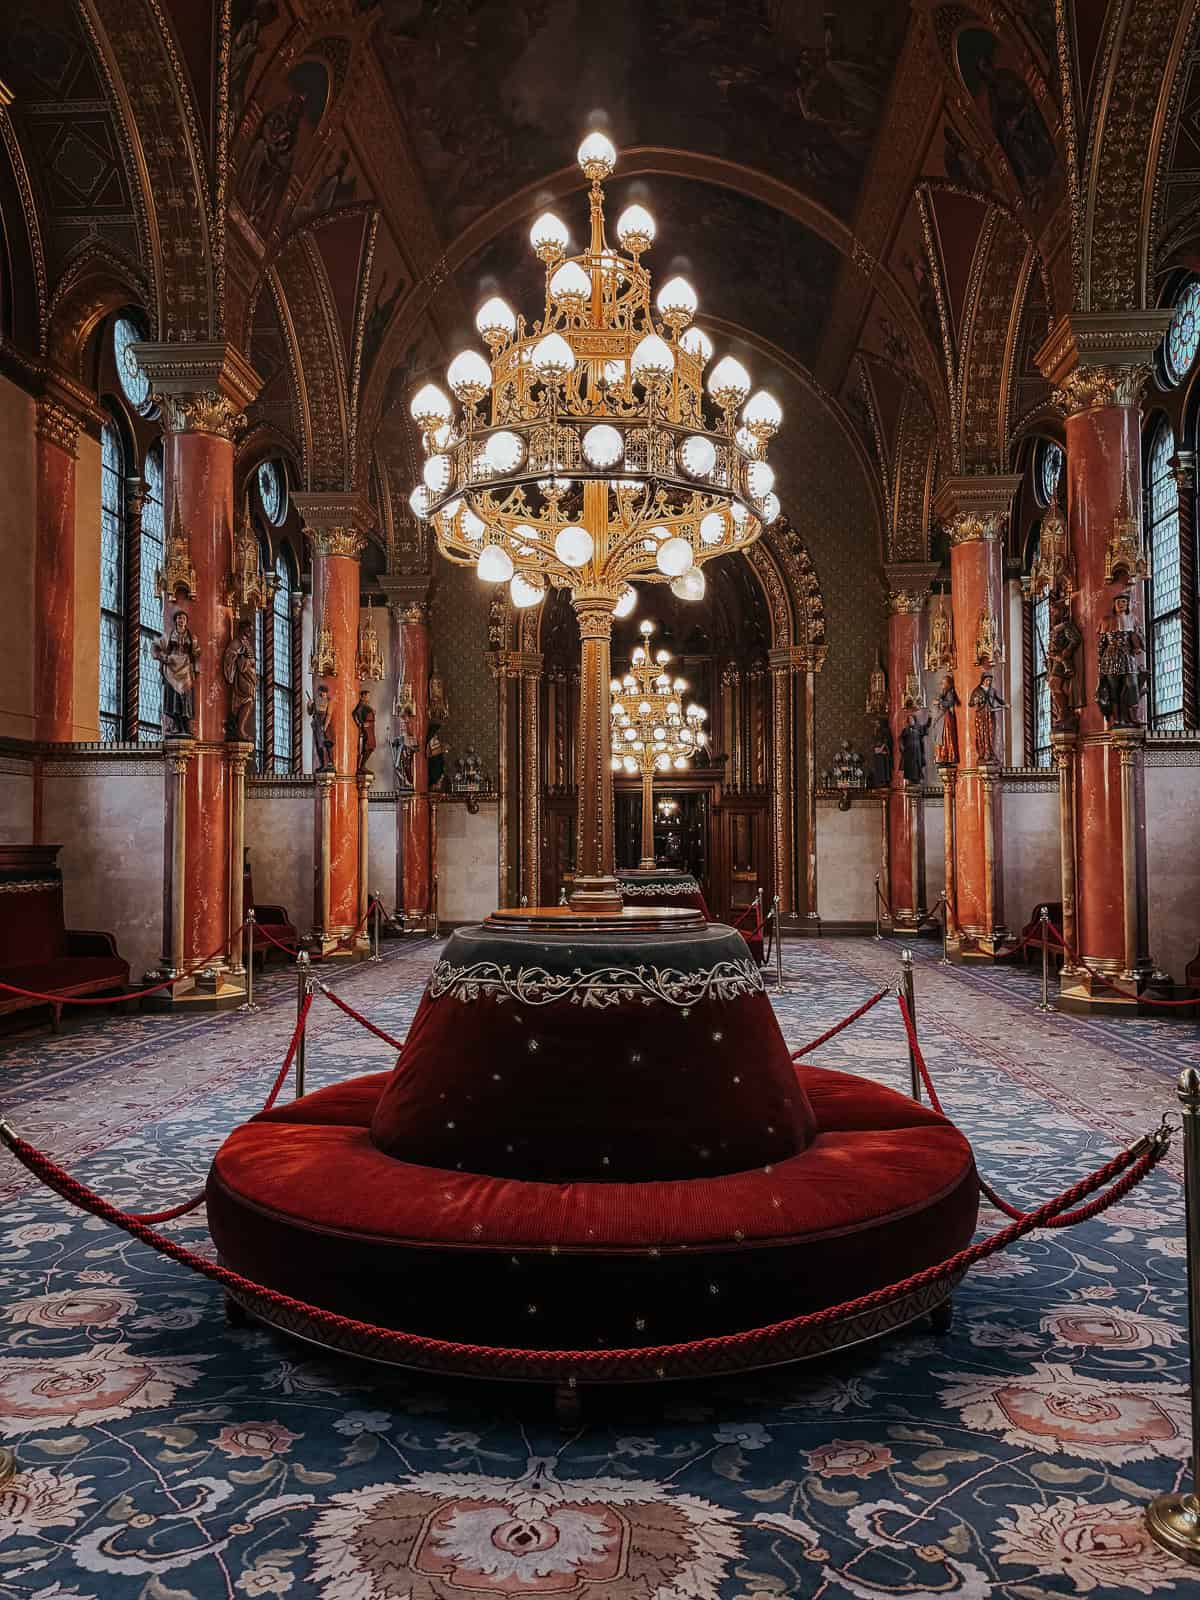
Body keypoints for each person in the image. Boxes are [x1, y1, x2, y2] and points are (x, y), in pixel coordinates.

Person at [1097, 592, 1147, 727]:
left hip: (1127, 655)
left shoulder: (1133, 619)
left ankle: (1133, 716)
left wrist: (1137, 640)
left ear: (1128, 604)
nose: (1121, 604)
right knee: (1114, 689)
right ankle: (1118, 719)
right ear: (1114, 604)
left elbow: (1140, 639)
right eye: (1118, 601)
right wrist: (1099, 663)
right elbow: (1102, 644)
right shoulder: (1105, 620)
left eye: (1124, 601)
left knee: (1132, 684)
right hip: (1110, 656)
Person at [153, 610, 201, 736]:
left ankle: (185, 725)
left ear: (186, 621)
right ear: (175, 620)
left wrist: (196, 667)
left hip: (185, 668)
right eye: (179, 618)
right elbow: (155, 647)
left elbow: (196, 653)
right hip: (172, 668)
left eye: (183, 619)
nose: (181, 621)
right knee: (174, 696)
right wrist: (164, 658)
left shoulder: (191, 637)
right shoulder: (169, 635)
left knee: (185, 695)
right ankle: (176, 724)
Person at [222, 623, 257, 744]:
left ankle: (240, 728)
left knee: (250, 700)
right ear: (242, 629)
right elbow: (231, 656)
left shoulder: (245, 642)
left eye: (250, 630)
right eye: (248, 629)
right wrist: (246, 661)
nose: (249, 632)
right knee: (247, 699)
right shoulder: (237, 642)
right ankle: (240, 730)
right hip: (242, 676)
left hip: (249, 675)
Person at [969, 671, 1007, 763]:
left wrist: (1005, 704)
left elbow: (998, 699)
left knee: (991, 733)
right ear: (983, 680)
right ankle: (982, 753)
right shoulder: (977, 690)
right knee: (982, 734)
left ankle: (991, 753)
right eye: (987, 680)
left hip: (990, 713)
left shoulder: (992, 690)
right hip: (981, 714)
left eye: (990, 680)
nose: (988, 682)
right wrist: (975, 701)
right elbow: (970, 703)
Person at [933, 673, 961, 764]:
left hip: (946, 717)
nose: (942, 685)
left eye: (944, 683)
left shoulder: (949, 692)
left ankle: (947, 755)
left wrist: (939, 702)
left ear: (948, 684)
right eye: (941, 683)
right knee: (940, 737)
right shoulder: (944, 692)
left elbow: (950, 703)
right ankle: (941, 756)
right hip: (941, 717)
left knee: (946, 736)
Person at [308, 683, 335, 772]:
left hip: (324, 724)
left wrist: (325, 726)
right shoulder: (316, 700)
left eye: (324, 693)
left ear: (326, 693)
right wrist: (309, 704)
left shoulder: (329, 700)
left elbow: (329, 714)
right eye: (321, 692)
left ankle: (330, 763)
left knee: (327, 744)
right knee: (318, 745)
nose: (322, 694)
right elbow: (310, 712)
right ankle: (322, 764)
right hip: (316, 724)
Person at [899, 710, 930, 785]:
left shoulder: (918, 728)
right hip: (908, 752)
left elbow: (926, 726)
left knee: (917, 765)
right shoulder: (905, 730)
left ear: (914, 720)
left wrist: (929, 718)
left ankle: (917, 781)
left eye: (912, 719)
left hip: (917, 750)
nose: (910, 721)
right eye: (909, 720)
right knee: (909, 767)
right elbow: (900, 740)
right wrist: (902, 747)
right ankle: (910, 781)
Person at [352, 690, 376, 773]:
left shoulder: (366, 706)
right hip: (366, 730)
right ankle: (361, 766)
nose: (369, 698)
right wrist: (361, 725)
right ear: (362, 697)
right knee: (366, 748)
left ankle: (362, 766)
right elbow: (354, 714)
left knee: (371, 747)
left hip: (370, 729)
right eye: (367, 696)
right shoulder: (361, 705)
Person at [870, 718, 893, 787]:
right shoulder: (875, 731)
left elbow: (886, 741)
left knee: (883, 766)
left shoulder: (885, 730)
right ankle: (879, 781)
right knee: (878, 766)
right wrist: (875, 749)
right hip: (877, 751)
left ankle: (884, 782)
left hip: (883, 751)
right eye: (876, 723)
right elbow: (873, 741)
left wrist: (881, 749)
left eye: (877, 723)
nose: (876, 724)